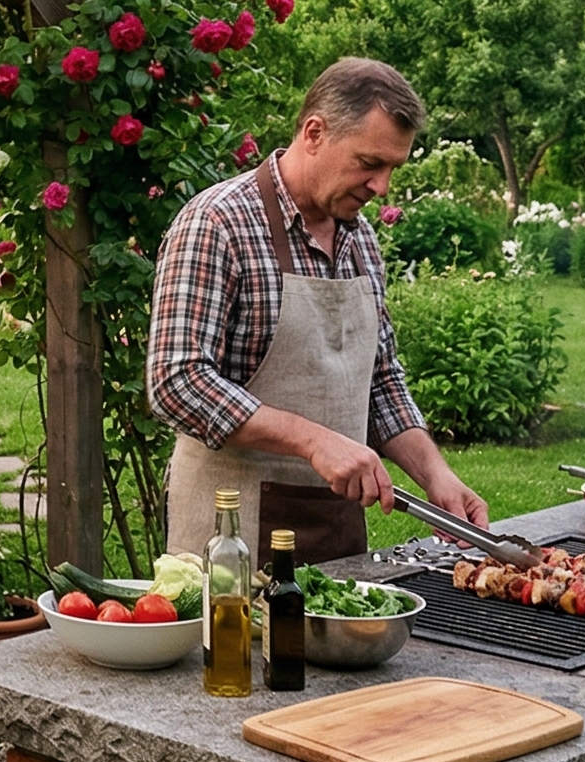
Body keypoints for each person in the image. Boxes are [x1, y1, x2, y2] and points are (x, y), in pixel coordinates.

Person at [146, 57, 492, 564]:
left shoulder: (361, 241)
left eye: (392, 169)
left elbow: (381, 382)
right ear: (314, 132)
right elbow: (176, 381)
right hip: (229, 544)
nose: (382, 187)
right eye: (370, 163)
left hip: (337, 537)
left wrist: (438, 477)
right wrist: (312, 440)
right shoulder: (217, 224)